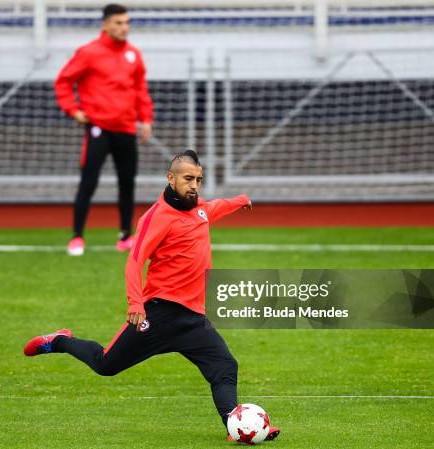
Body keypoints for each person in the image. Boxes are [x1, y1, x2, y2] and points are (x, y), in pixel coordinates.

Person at [24, 150, 281, 443]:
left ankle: (236, 427)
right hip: (159, 314)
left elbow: (212, 208)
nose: (194, 185)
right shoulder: (157, 217)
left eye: (198, 179)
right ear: (170, 178)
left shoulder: (197, 208)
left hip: (193, 319)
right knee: (106, 365)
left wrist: (239, 201)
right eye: (188, 178)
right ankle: (59, 341)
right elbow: (135, 260)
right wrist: (136, 303)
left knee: (225, 365)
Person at [54, 3, 154, 256]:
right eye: (119, 23)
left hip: (126, 128)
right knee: (88, 182)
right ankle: (77, 237)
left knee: (127, 184)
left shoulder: (133, 54)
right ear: (106, 24)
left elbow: (140, 89)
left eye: (127, 23)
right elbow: (64, 81)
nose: (124, 28)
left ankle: (125, 236)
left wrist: (146, 119)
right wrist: (73, 110)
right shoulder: (89, 52)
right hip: (98, 128)